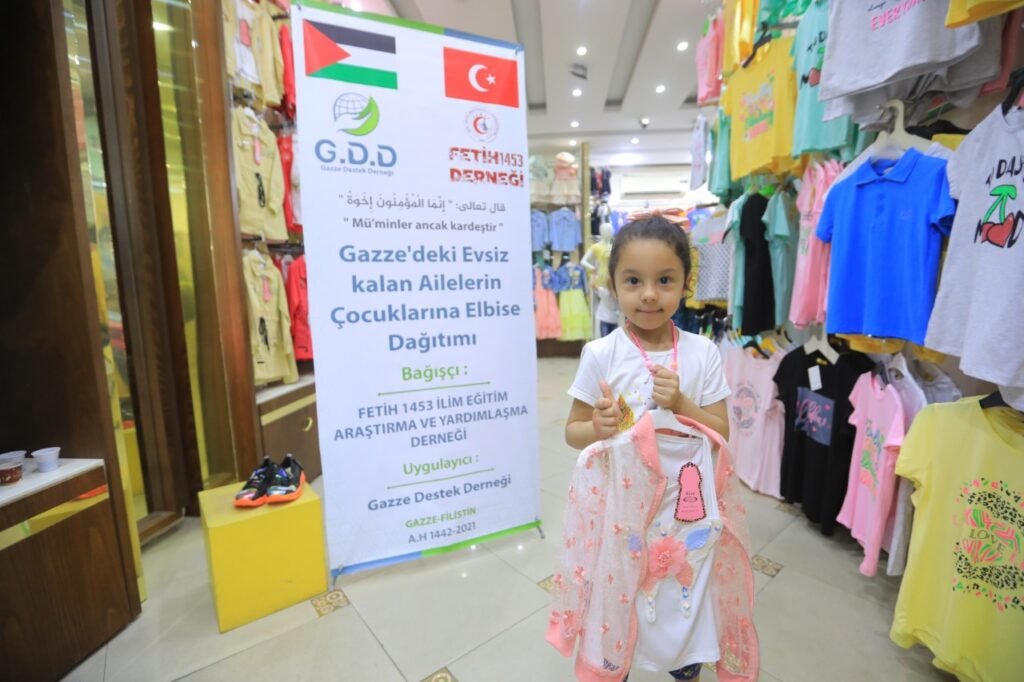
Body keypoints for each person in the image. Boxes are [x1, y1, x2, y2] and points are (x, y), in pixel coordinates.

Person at [563, 215, 732, 681]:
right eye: (634, 281)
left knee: (682, 591)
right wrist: (597, 427)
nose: (650, 295)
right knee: (621, 592)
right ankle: (615, 660)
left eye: (665, 280)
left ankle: (684, 662)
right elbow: (573, 431)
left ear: (686, 284)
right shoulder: (601, 354)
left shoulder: (703, 353)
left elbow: (721, 431)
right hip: (620, 508)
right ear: (613, 284)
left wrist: (682, 404)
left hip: (685, 507)